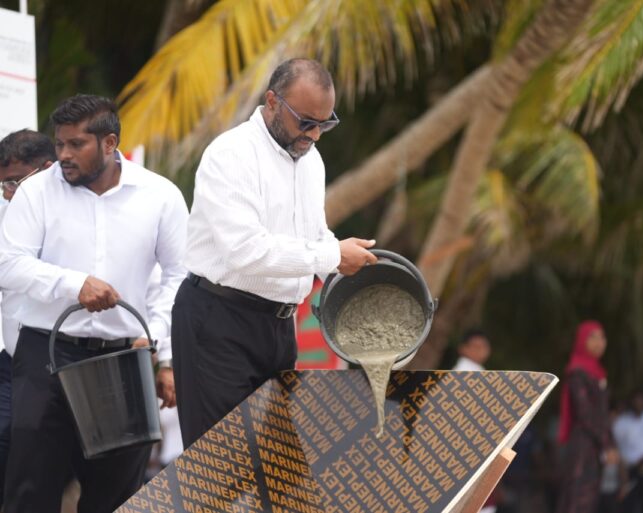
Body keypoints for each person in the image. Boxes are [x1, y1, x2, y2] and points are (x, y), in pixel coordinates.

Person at [173, 58, 377, 448]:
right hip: (218, 321)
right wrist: (332, 256)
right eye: (306, 122)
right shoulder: (231, 154)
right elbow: (245, 251)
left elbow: (314, 236)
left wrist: (350, 268)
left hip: (280, 327)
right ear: (272, 101)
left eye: (325, 124)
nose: (314, 135)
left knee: (275, 463)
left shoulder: (311, 161)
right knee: (220, 464)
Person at [0, 94, 188, 512]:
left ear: (109, 143)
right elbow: (8, 264)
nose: (63, 155)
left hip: (124, 361)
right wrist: (74, 284)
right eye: (60, 143)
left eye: (76, 144)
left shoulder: (160, 195)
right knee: (29, 493)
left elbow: (179, 277)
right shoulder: (35, 192)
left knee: (116, 497)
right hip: (45, 355)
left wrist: (161, 348)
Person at [0, 129, 56, 508]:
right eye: (2, 185)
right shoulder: (5, 215)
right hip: (13, 361)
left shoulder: (75, 215)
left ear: (46, 170)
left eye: (13, 183)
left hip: (73, 362)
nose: (7, 194)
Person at [556, 320, 619, 513]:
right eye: (593, 337)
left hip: (594, 446)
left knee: (589, 500)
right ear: (582, 340)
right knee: (577, 500)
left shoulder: (597, 373)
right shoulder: (577, 373)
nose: (599, 342)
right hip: (583, 446)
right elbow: (585, 413)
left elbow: (603, 414)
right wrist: (606, 444)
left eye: (602, 337)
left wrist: (609, 443)